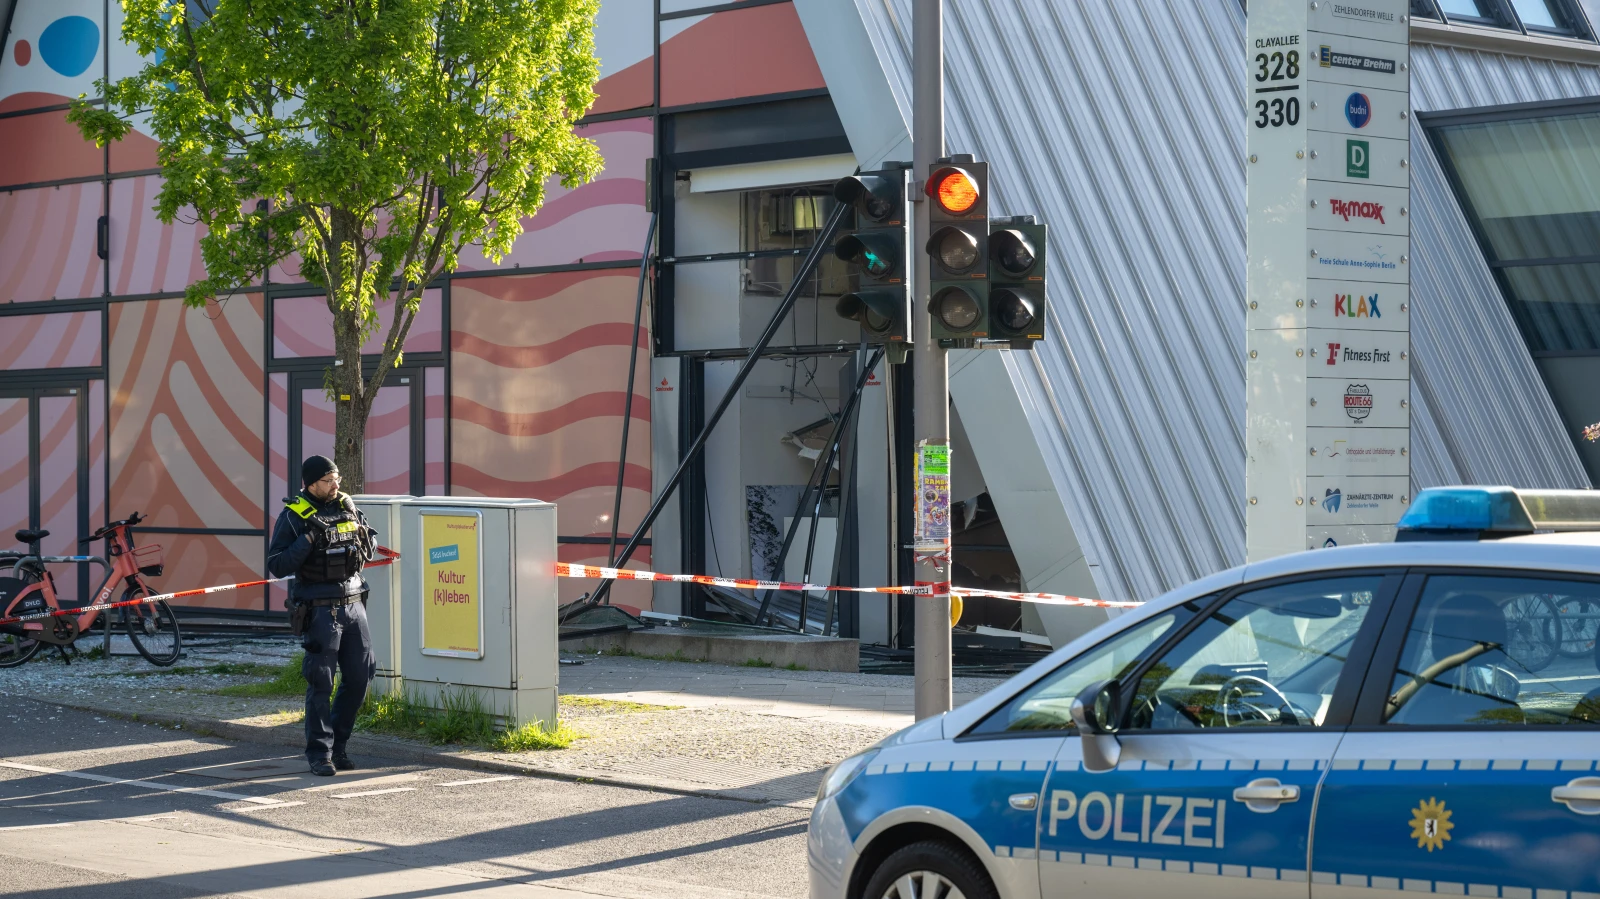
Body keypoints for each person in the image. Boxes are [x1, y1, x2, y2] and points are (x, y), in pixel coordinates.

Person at [268, 455, 376, 776]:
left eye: (337, 478)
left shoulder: (347, 504)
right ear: (311, 483)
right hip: (318, 609)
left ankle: (339, 746)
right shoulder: (293, 516)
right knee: (321, 683)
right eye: (329, 480)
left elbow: (369, 545)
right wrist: (309, 538)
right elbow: (277, 564)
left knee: (360, 678)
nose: (335, 485)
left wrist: (362, 534)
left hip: (354, 604)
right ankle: (319, 754)